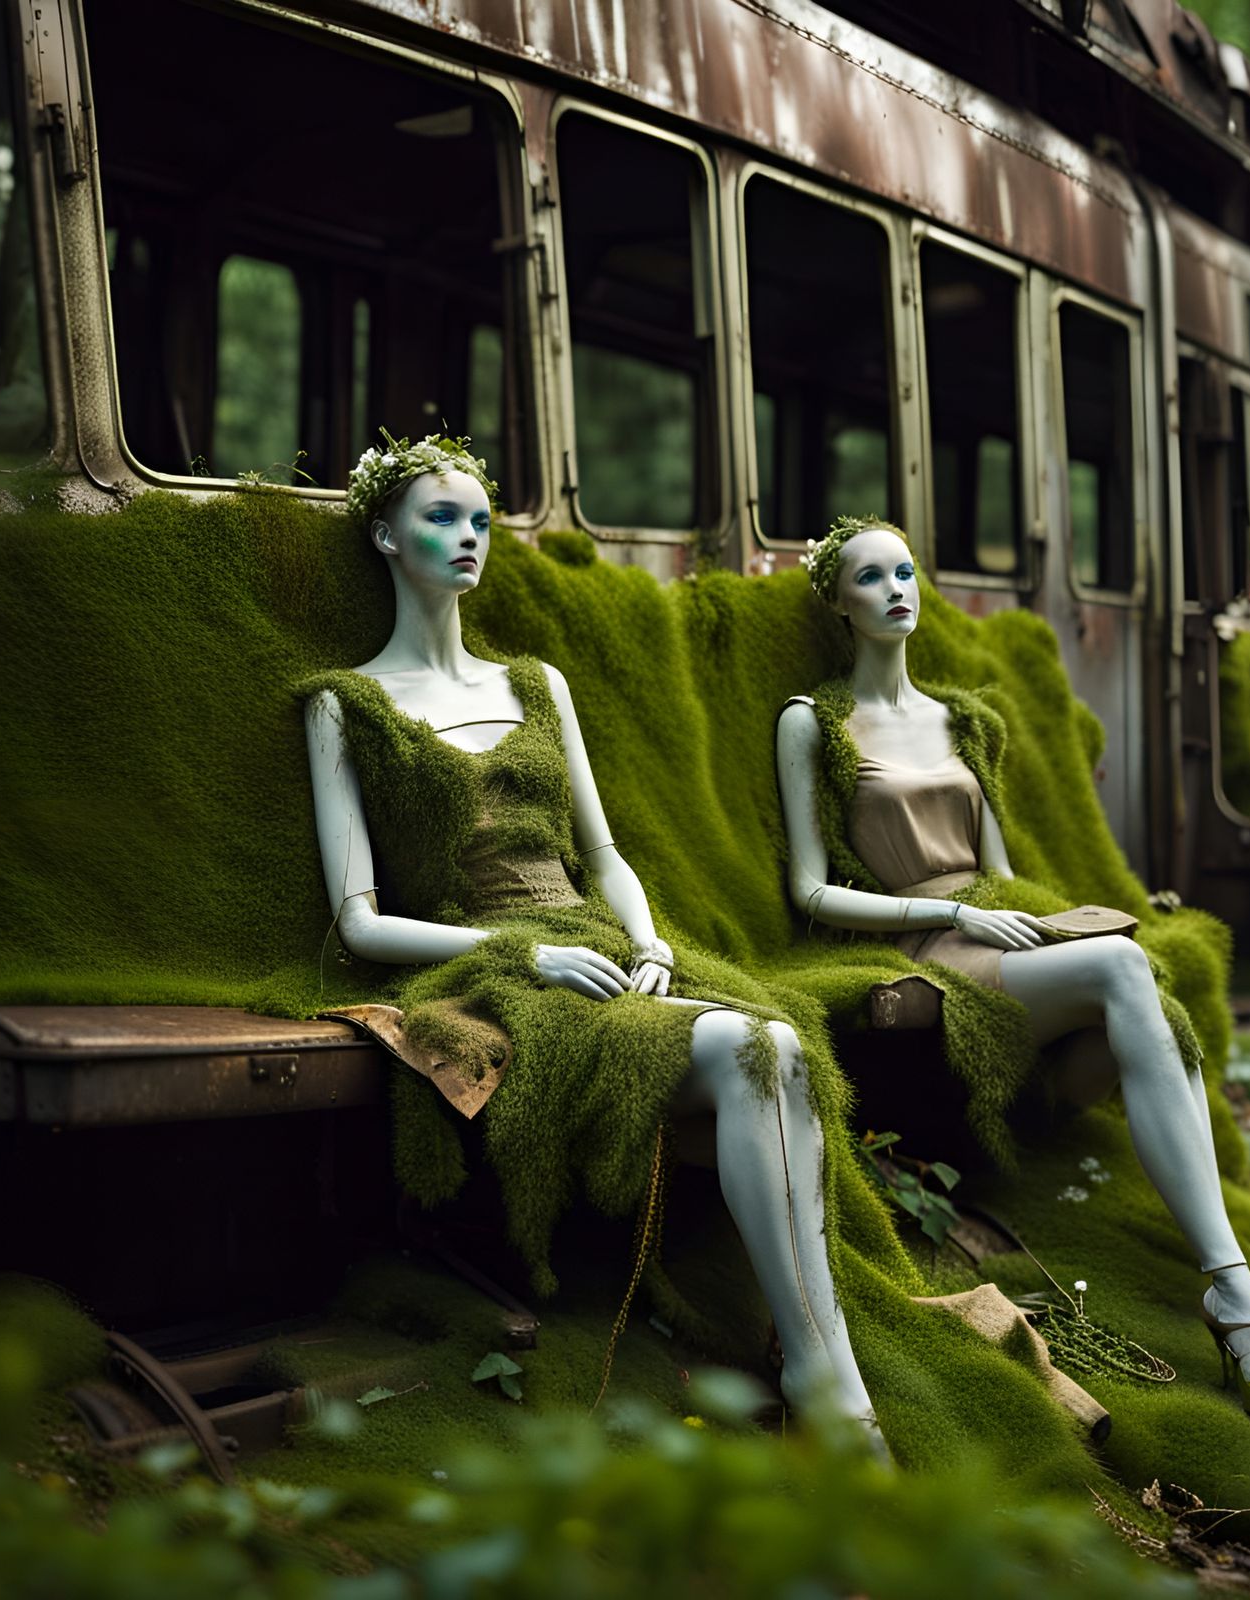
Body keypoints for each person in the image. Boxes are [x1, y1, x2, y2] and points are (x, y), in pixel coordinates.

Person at [302, 434, 880, 1442]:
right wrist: (516, 956)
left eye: (481, 519)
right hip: (490, 963)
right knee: (764, 1047)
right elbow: (355, 919)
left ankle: (822, 1364)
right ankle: (834, 1396)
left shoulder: (534, 684)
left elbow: (602, 854)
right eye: (441, 516)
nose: (468, 536)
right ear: (386, 533)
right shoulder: (344, 704)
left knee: (779, 1046)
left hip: (598, 939)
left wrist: (648, 937)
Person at [775, 516, 1250, 1422]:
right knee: (1126, 974)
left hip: (998, 931)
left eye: (907, 571)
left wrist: (1046, 921)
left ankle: (1232, 1289)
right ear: (837, 600)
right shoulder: (812, 722)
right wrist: (947, 910)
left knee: (1136, 986)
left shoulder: (962, 720)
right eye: (871, 578)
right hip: (917, 940)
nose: (897, 589)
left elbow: (1002, 869)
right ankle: (1236, 1297)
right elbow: (811, 892)